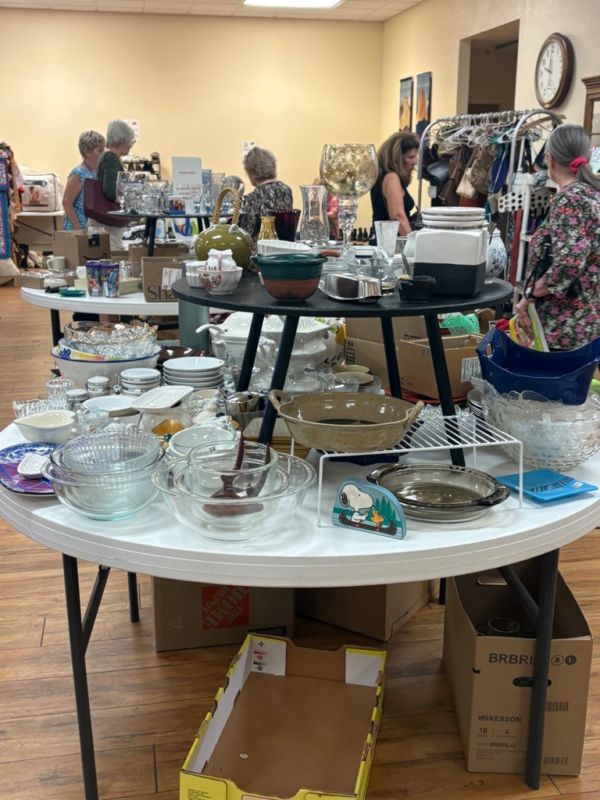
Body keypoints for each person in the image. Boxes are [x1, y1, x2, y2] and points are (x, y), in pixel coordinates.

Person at [516, 123, 600, 351]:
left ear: (550, 159)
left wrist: (529, 296)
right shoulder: (592, 196)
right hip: (588, 320)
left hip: (564, 326)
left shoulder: (569, 200)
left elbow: (569, 263)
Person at [95, 119, 136, 249]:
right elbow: (110, 190)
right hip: (107, 225)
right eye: (130, 141)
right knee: (112, 254)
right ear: (122, 140)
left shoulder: (107, 157)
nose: (131, 145)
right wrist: (127, 198)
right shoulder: (111, 158)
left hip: (103, 223)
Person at [371, 131, 419, 235]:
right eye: (410, 157)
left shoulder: (382, 177)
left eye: (415, 157)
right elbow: (398, 216)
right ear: (397, 158)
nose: (415, 162)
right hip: (391, 241)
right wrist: (412, 242)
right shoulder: (391, 177)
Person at [241, 146, 293, 239]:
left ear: (252, 172)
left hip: (263, 244)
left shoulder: (253, 197)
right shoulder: (286, 190)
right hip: (285, 242)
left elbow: (246, 233)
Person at [62, 130, 106, 230]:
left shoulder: (97, 171)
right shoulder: (78, 174)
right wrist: (78, 229)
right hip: (77, 228)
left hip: (92, 227)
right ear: (87, 152)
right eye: (99, 151)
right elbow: (66, 203)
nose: (103, 154)